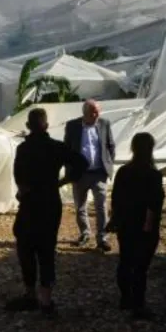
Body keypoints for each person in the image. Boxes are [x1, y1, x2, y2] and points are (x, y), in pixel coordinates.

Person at [6, 108, 89, 319]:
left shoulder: (23, 149)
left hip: (30, 203)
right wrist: (64, 181)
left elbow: (19, 177)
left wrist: (24, 190)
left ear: (28, 126)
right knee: (47, 249)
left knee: (26, 248)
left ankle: (29, 293)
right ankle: (46, 298)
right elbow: (82, 162)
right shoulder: (56, 147)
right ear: (46, 125)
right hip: (51, 202)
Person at [109, 132, 165, 320]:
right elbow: (154, 203)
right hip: (143, 225)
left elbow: (115, 199)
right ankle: (138, 305)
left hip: (126, 223)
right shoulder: (153, 174)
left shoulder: (124, 171)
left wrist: (115, 219)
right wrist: (148, 225)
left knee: (125, 261)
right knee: (140, 267)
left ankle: (125, 298)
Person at [64, 99, 116, 252]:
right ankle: (85, 233)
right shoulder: (73, 126)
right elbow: (67, 149)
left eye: (98, 111)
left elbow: (111, 145)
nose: (96, 114)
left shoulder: (104, 123)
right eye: (93, 112)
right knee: (80, 206)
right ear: (84, 113)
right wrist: (70, 170)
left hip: (99, 173)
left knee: (101, 206)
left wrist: (108, 163)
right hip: (80, 174)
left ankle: (102, 238)